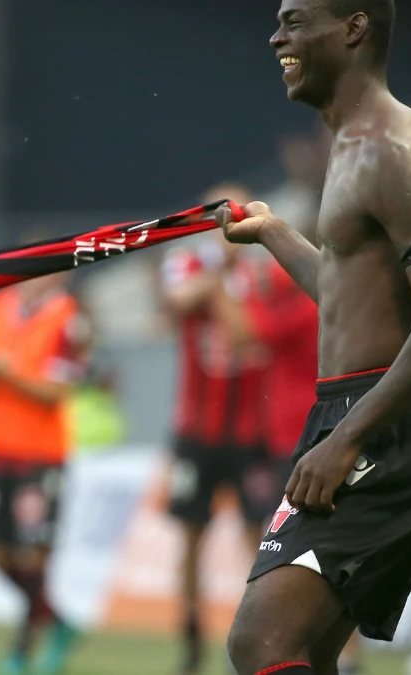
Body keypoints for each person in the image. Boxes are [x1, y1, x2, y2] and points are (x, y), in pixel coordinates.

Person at [223, 1, 411, 674]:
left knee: (262, 641)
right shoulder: (350, 145)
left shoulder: (393, 146)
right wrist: (276, 233)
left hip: (388, 421)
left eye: (295, 19)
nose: (276, 36)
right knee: (307, 648)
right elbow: (351, 296)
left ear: (354, 27)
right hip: (356, 411)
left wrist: (348, 438)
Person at [160, 183, 271, 675]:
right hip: (195, 432)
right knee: (189, 540)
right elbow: (177, 303)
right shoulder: (188, 262)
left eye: (236, 211)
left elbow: (250, 335)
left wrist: (221, 280)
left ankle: (264, 638)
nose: (228, 220)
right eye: (220, 212)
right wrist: (218, 274)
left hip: (250, 434)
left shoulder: (262, 271)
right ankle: (190, 644)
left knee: (261, 540)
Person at [0, 270, 89, 675]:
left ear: (59, 280)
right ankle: (59, 622)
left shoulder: (71, 321)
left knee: (34, 555)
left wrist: (5, 372)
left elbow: (57, 392)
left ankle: (21, 651)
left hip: (42, 455)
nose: (32, 281)